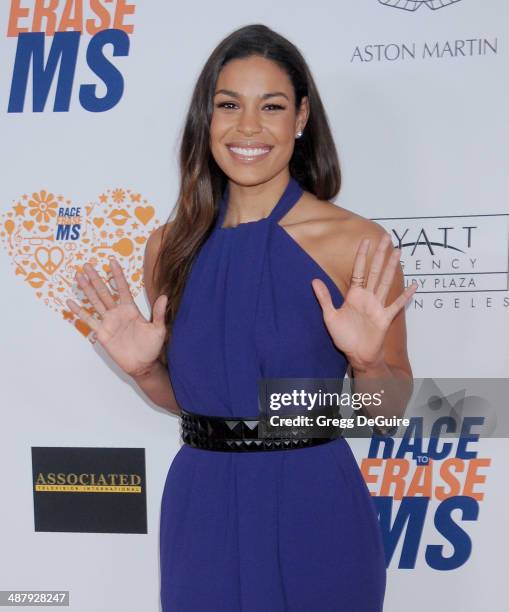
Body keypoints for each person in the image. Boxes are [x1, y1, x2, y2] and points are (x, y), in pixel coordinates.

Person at [67, 23, 417, 612]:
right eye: (229, 105)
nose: (248, 127)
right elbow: (190, 402)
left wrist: (367, 360)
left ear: (301, 118)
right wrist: (144, 371)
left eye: (271, 106)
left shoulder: (352, 242)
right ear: (207, 117)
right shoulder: (169, 246)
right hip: (203, 507)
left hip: (314, 502)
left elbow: (389, 409)